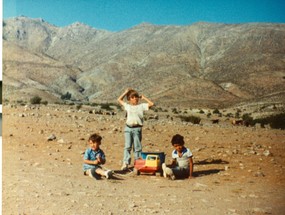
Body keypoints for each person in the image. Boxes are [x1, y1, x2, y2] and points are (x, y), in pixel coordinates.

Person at [117, 88, 154, 170]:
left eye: (136, 97)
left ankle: (138, 163)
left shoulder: (141, 106)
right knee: (127, 146)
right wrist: (125, 92)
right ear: (129, 99)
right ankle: (125, 163)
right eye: (132, 97)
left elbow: (151, 104)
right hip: (128, 128)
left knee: (137, 147)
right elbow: (119, 99)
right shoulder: (128, 106)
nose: (135, 99)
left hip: (137, 129)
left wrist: (144, 98)